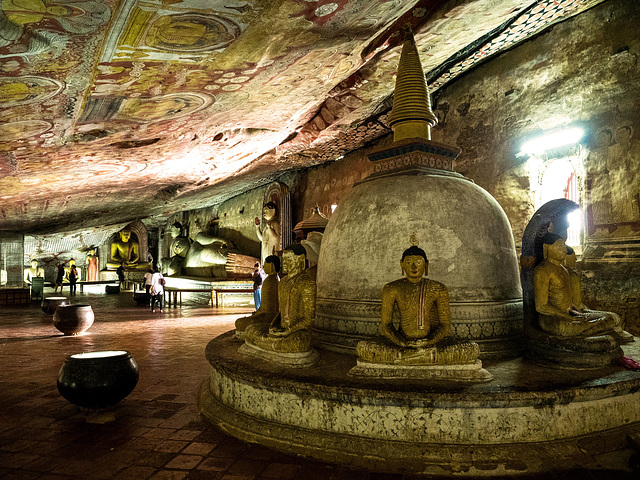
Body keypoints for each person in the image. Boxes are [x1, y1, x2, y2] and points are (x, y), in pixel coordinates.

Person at [356, 244, 479, 365]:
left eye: (418, 262)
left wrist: (428, 341)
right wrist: (402, 342)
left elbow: (445, 326)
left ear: (426, 264)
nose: (414, 266)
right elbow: (386, 325)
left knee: (471, 349)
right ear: (401, 264)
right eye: (409, 263)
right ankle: (424, 358)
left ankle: (408, 358)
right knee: (363, 348)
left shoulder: (438, 288)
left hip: (430, 343)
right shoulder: (391, 288)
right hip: (402, 344)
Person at [533, 233, 630, 339]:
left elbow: (569, 303)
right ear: (546, 247)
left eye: (564, 246)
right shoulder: (542, 271)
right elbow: (541, 306)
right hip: (553, 319)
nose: (564, 250)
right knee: (570, 327)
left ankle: (590, 332)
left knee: (610, 317)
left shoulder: (564, 270)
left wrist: (576, 314)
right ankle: (594, 332)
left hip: (570, 315)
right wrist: (569, 318)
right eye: (560, 246)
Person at [243, 244, 316, 353]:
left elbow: (309, 319)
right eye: (284, 259)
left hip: (297, 331)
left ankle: (269, 344)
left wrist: (288, 330)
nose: (285, 263)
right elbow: (280, 312)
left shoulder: (306, 282)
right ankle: (272, 343)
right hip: (280, 329)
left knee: (298, 344)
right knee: (250, 330)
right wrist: (274, 326)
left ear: (300, 259)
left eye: (289, 259)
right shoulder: (283, 282)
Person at [236, 255, 280, 337]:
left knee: (239, 322)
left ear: (271, 265)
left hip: (268, 317)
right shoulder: (277, 278)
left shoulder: (269, 281)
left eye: (265, 264)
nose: (263, 267)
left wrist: (255, 314)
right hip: (275, 316)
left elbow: (265, 309)